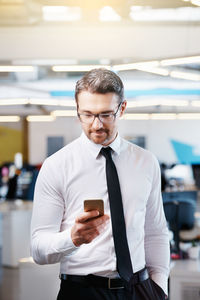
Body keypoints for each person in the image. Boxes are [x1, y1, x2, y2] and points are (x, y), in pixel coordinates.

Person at [31, 68, 170, 300]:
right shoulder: (56, 166)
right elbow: (38, 250)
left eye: (106, 114)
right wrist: (72, 238)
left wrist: (159, 288)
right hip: (82, 291)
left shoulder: (146, 162)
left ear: (122, 108)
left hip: (139, 289)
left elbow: (155, 233)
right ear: (77, 110)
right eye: (87, 114)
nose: (96, 125)